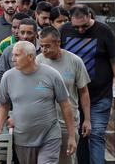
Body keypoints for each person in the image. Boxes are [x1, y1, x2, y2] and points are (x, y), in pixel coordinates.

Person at [0, 41, 77, 164]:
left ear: (30, 56)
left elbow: (66, 105)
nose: (13, 59)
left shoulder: (52, 75)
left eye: (17, 55)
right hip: (22, 139)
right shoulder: (8, 77)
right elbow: (3, 105)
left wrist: (72, 136)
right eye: (13, 55)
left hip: (49, 136)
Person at [60, 5, 115, 164]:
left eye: (84, 26)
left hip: (99, 95)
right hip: (73, 98)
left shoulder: (103, 31)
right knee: (79, 137)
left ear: (90, 16)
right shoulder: (64, 30)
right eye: (76, 27)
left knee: (96, 135)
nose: (81, 30)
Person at [37, 27, 91, 164]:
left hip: (68, 123)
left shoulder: (75, 61)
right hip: (44, 124)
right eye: (41, 46)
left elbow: (83, 92)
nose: (44, 50)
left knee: (67, 160)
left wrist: (87, 120)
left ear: (58, 42)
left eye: (47, 46)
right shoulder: (38, 62)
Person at [0, 18, 40, 85]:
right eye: (22, 33)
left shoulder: (43, 49)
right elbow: (0, 75)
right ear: (18, 33)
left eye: (29, 33)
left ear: (36, 34)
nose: (25, 36)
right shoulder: (9, 51)